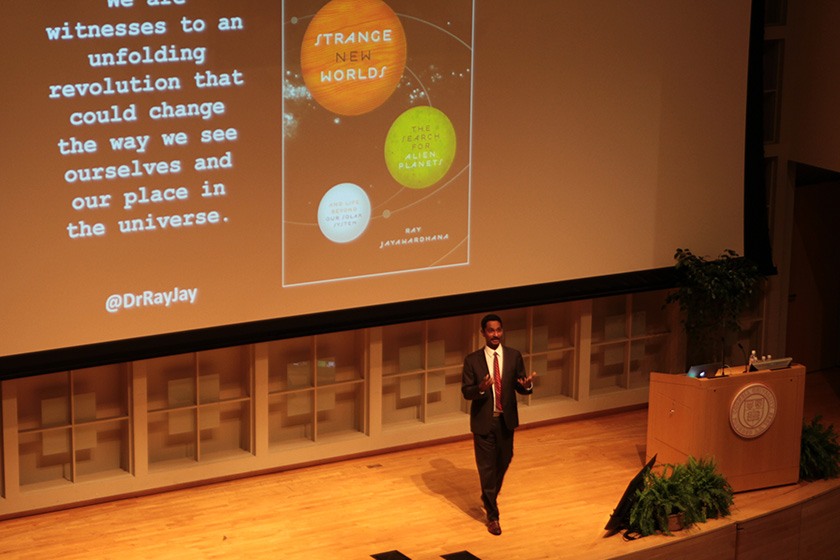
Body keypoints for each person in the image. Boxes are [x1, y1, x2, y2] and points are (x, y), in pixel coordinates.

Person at [461, 313, 537, 535]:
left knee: (504, 460)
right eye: (491, 330)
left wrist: (527, 386)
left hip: (506, 421)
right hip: (484, 423)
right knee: (486, 469)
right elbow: (467, 392)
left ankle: (488, 496)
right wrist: (481, 388)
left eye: (499, 330)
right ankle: (493, 517)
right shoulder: (472, 360)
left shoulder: (514, 356)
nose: (495, 334)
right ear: (483, 333)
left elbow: (520, 385)